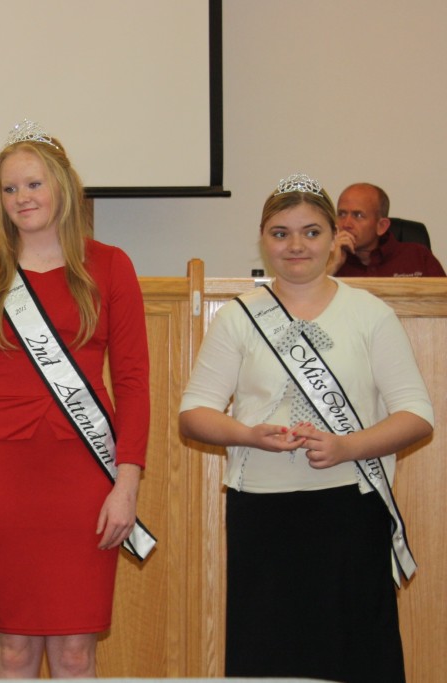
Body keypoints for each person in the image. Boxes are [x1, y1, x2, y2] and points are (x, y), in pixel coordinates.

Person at [180, 173, 433, 683]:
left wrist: (347, 446)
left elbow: (416, 414)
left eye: (311, 232)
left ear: (334, 236)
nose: (296, 245)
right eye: (280, 233)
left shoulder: (370, 313)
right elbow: (194, 412)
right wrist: (248, 434)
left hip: (351, 505)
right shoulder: (239, 318)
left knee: (356, 653)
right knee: (269, 653)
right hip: (263, 512)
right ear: (263, 238)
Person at [0, 120, 151, 678]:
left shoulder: (111, 265)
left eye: (32, 185)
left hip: (86, 474)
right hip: (3, 475)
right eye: (9, 190)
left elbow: (133, 383)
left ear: (62, 186)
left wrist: (126, 485)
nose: (20, 199)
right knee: (12, 649)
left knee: (77, 651)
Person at [328, 182, 445, 277]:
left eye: (358, 215)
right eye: (342, 214)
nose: (347, 224)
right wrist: (331, 266)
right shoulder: (326, 258)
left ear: (381, 226)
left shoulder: (417, 256)